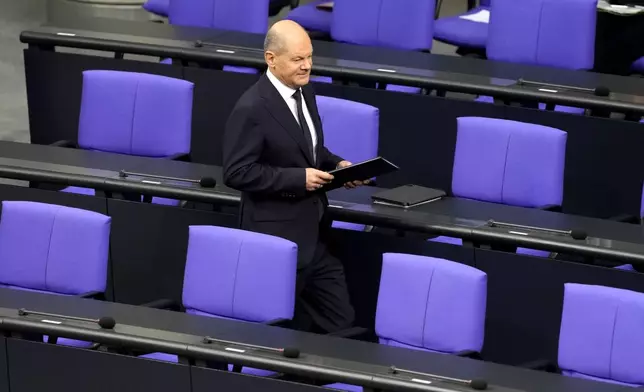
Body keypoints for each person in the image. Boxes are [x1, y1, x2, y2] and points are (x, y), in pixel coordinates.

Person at [222, 20, 365, 333]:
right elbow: (236, 172)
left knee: (342, 325)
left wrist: (338, 165)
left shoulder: (305, 91)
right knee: (275, 331)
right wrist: (297, 179)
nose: (307, 66)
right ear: (271, 59)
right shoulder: (252, 108)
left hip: (315, 237)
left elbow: (309, 149)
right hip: (276, 242)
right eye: (298, 59)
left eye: (310, 57)